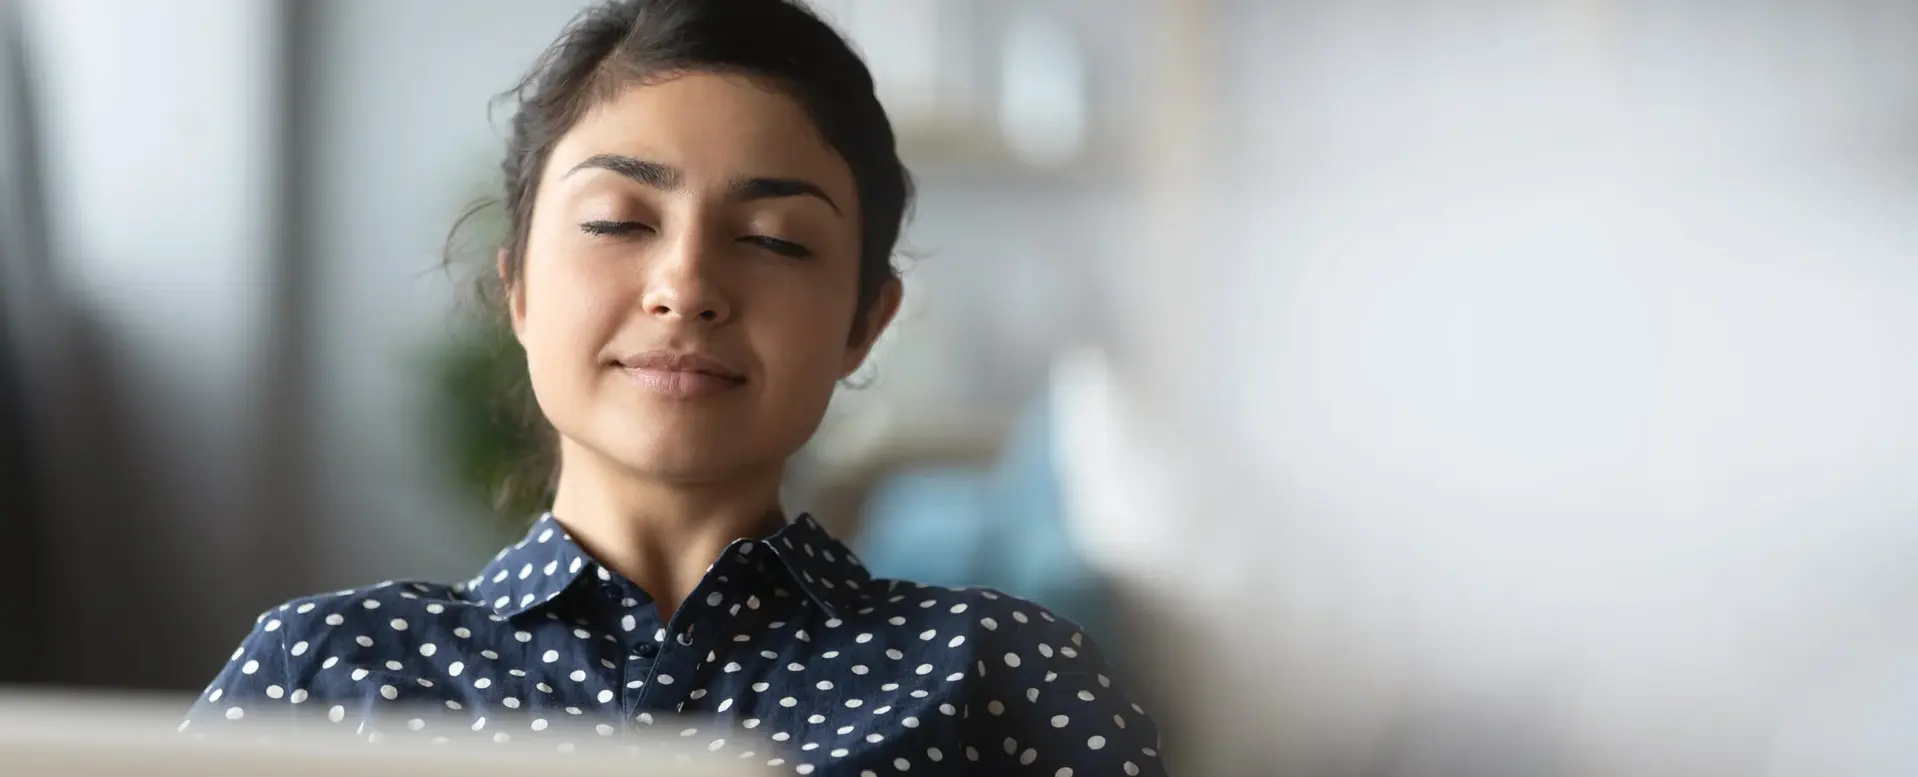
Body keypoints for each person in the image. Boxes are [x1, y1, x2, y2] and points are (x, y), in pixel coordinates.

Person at [182, 1, 1168, 775]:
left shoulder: (1001, 674)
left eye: (775, 240)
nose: (687, 287)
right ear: (517, 286)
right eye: (618, 221)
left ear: (865, 322)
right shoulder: (327, 670)